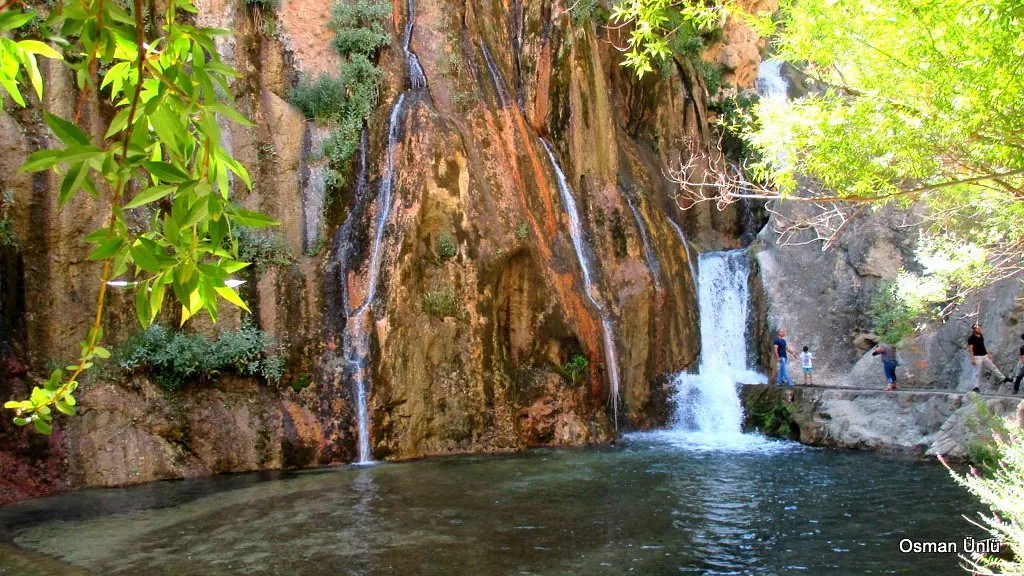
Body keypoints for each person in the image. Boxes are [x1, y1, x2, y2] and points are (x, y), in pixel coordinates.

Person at [967, 322, 1011, 393]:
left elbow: (982, 346)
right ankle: (975, 387)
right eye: (978, 328)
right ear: (974, 330)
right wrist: (972, 358)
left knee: (993, 367)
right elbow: (970, 349)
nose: (979, 329)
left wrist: (988, 354)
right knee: (977, 372)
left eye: (980, 328)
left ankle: (1003, 378)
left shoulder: (981, 336)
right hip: (977, 356)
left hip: (984, 356)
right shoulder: (971, 338)